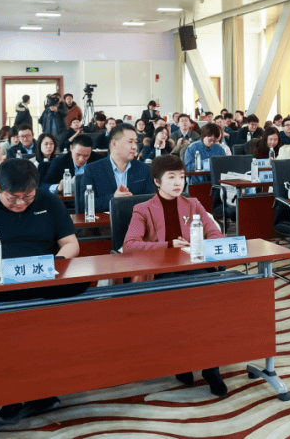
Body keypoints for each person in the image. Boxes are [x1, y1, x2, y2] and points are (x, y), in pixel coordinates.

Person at [0, 159, 82, 426]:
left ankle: (38, 391)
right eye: (13, 198)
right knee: (12, 328)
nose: (21, 203)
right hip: (1, 289)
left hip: (44, 284)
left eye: (28, 196)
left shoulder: (49, 202)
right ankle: (16, 395)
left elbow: (70, 243)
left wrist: (56, 263)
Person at [120, 154, 228, 397]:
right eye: (171, 177)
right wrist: (168, 245)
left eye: (182, 177)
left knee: (214, 299)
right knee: (184, 303)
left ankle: (211, 368)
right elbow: (130, 245)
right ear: (157, 181)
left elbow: (216, 236)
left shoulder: (193, 204)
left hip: (195, 268)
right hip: (161, 274)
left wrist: (198, 243)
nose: (179, 182)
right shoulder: (142, 209)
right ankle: (184, 361)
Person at [78, 124, 155, 212]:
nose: (135, 147)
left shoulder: (144, 169)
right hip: (105, 221)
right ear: (114, 143)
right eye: (130, 142)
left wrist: (131, 201)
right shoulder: (93, 169)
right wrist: (113, 199)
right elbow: (84, 205)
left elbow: (152, 202)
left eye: (136, 142)